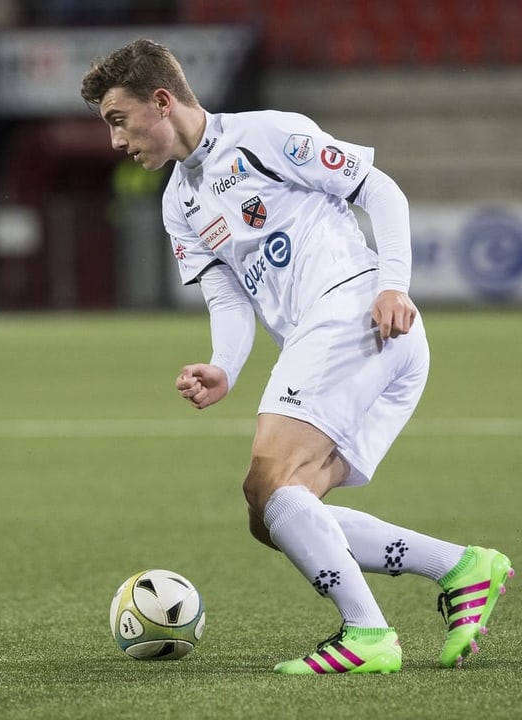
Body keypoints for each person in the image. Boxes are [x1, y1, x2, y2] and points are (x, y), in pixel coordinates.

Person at [81, 39, 514, 674]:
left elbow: (380, 188)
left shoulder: (266, 134)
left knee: (268, 482)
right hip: (349, 345)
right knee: (276, 513)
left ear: (162, 102)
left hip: (355, 312)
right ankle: (461, 567)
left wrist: (394, 283)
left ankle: (368, 635)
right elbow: (229, 296)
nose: (116, 141)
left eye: (119, 120)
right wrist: (224, 365)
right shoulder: (179, 203)